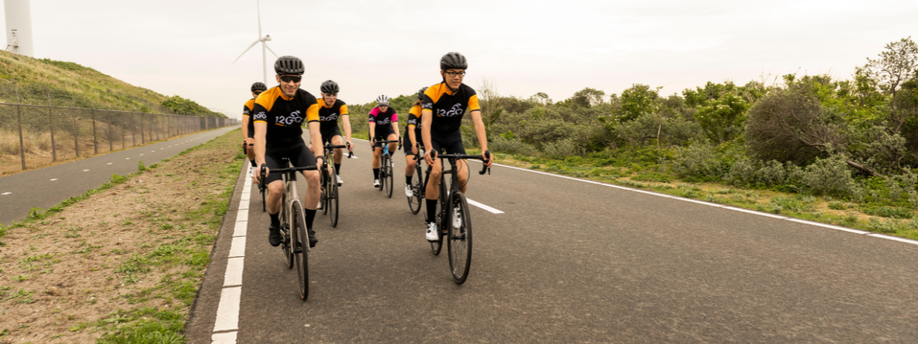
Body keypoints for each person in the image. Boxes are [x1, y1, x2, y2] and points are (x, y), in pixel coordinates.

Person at [252, 55, 324, 248]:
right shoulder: (265, 99)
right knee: (276, 190)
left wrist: (319, 156)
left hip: (295, 146)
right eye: (286, 78)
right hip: (271, 149)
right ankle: (274, 224)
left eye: (296, 79)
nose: (291, 83)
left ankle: (307, 228)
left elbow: (315, 132)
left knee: (315, 177)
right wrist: (260, 162)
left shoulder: (308, 99)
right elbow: (259, 135)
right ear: (278, 78)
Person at [421, 52, 492, 242]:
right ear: (442, 73)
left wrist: (484, 149)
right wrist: (428, 148)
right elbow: (426, 123)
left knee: (461, 176)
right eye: (452, 72)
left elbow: (478, 122)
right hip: (434, 138)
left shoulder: (469, 93)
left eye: (461, 72)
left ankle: (455, 207)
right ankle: (430, 222)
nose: (457, 76)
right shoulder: (432, 92)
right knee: (435, 173)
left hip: (453, 138)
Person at [316, 80, 354, 186]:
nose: (331, 98)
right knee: (317, 158)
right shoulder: (316, 103)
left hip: (333, 130)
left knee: (338, 146)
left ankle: (337, 173)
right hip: (319, 131)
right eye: (328, 95)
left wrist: (348, 140)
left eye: (334, 95)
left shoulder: (340, 104)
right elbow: (311, 123)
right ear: (322, 94)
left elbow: (346, 123)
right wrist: (312, 142)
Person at [368, 94, 400, 188]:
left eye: (385, 105)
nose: (383, 107)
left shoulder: (391, 111)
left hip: (387, 130)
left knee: (394, 141)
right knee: (376, 153)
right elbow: (372, 126)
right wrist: (373, 137)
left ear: (387, 104)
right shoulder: (373, 111)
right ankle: (376, 178)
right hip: (376, 132)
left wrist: (398, 137)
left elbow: (395, 125)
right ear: (378, 105)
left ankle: (388, 157)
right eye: (381, 105)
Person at [403, 87, 427, 197]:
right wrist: (414, 144)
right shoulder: (415, 110)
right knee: (412, 162)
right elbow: (411, 129)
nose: (425, 105)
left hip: (426, 136)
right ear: (419, 101)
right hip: (411, 137)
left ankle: (429, 185)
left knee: (434, 163)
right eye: (422, 102)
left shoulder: (436, 111)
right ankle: (408, 183)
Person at [242, 82, 267, 171]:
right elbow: (245, 123)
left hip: (265, 127)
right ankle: (253, 165)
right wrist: (246, 139)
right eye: (256, 93)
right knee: (250, 146)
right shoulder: (249, 104)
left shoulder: (269, 102)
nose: (258, 95)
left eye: (261, 93)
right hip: (252, 128)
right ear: (253, 93)